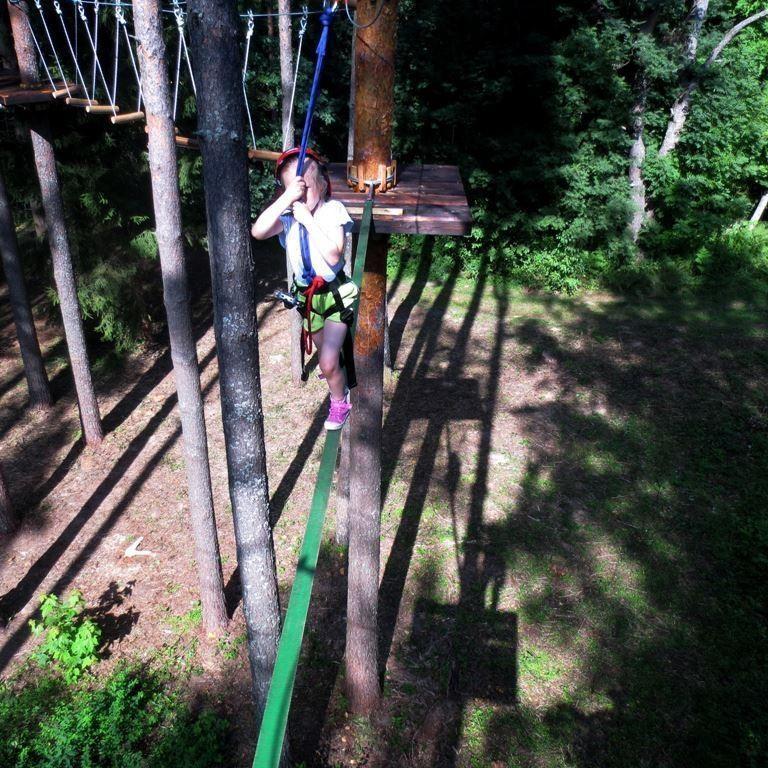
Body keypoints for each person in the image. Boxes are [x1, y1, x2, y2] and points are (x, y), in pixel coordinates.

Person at [251, 148, 357, 430]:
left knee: (328, 360)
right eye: (293, 191)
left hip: (335, 297)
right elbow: (258, 231)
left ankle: (340, 400)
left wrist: (308, 221)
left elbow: (334, 256)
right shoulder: (288, 219)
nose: (300, 197)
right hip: (308, 299)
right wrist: (287, 199)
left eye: (305, 189)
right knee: (326, 358)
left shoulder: (332, 211)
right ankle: (332, 369)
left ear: (321, 186)